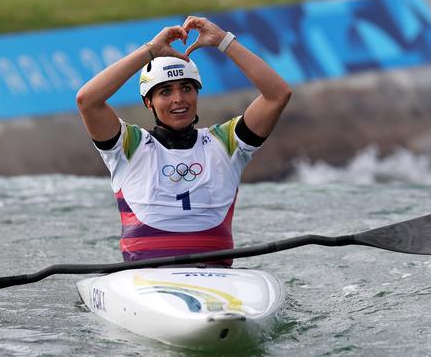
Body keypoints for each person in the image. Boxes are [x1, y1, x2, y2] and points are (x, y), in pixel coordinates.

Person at [76, 16, 291, 266]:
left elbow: (278, 95)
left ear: (197, 94)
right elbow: (87, 101)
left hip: (217, 282)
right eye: (166, 91)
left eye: (186, 88)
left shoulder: (227, 142)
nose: (179, 99)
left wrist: (223, 40)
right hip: (145, 281)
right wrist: (150, 51)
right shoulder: (128, 146)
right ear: (149, 102)